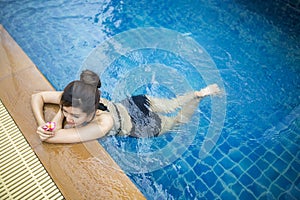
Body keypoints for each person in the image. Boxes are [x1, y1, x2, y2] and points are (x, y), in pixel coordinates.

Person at [31, 70, 221, 143]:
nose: (68, 117)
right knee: (171, 105)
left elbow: (51, 138)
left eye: (75, 116)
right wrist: (45, 121)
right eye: (65, 110)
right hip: (134, 102)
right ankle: (197, 93)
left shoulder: (103, 123)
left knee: (179, 121)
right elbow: (36, 96)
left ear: (92, 112)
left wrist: (54, 122)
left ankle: (198, 96)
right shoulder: (80, 97)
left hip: (143, 124)